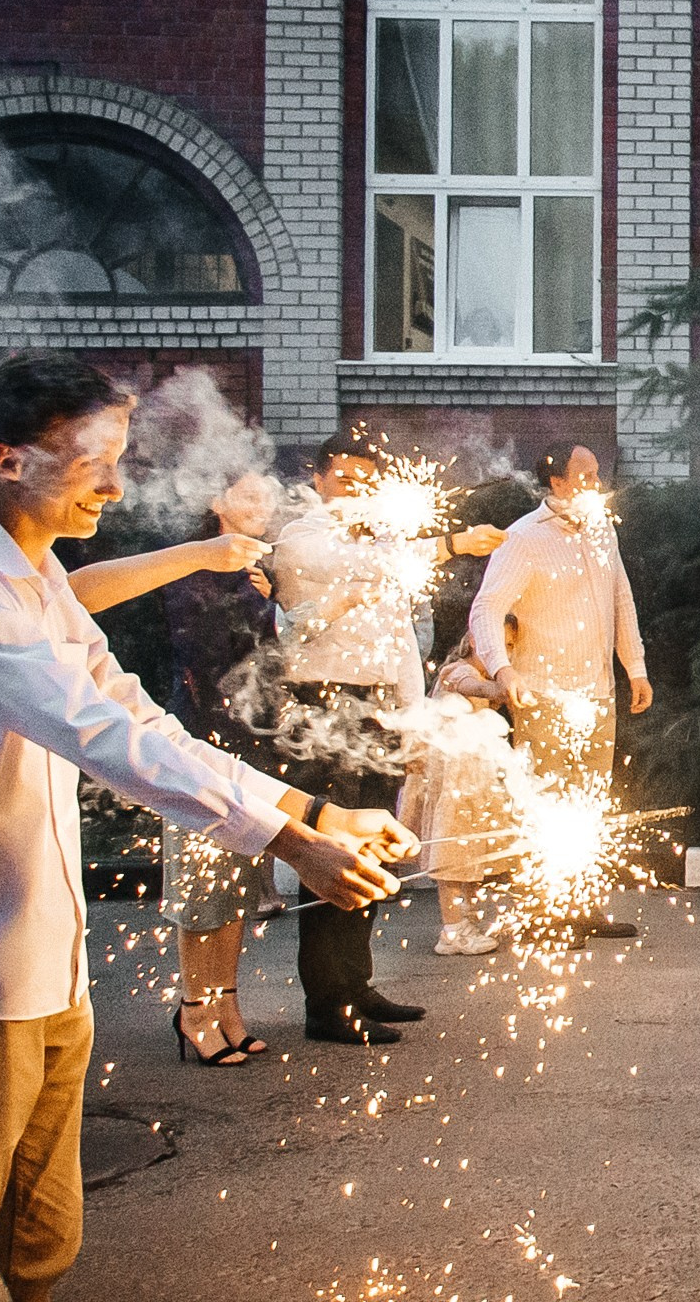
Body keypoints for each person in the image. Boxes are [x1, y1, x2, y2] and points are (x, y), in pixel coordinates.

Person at [0, 351, 412, 1302]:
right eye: (95, 465)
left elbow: (141, 719)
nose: (116, 487)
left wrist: (318, 809)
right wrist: (295, 845)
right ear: (7, 459)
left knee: (39, 1246)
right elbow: (97, 738)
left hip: (53, 969)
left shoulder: (39, 580)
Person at [271, 433, 503, 1042]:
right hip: (326, 704)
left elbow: (400, 640)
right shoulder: (302, 538)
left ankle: (356, 984)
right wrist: (448, 544)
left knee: (371, 849)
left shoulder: (380, 545)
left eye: (366, 480)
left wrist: (412, 717)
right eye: (343, 478)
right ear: (317, 481)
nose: (355, 490)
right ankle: (328, 1005)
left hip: (375, 707)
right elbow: (355, 572)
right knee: (332, 853)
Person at [68, 473, 285, 1064]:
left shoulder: (256, 574)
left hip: (250, 738)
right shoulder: (190, 571)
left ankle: (228, 1005)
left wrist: (274, 599)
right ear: (216, 501)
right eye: (246, 494)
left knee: (238, 884)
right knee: (203, 885)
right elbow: (202, 649)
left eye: (268, 496)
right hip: (193, 735)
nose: (262, 506)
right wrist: (252, 598)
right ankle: (194, 1008)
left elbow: (269, 657)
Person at [467, 442, 649, 940]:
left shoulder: (601, 528)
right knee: (547, 802)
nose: (596, 483)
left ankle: (583, 905)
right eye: (585, 475)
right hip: (544, 693)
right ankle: (547, 913)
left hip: (597, 691)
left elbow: (622, 597)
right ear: (558, 483)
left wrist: (635, 667)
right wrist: (503, 670)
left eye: (597, 474)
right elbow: (487, 607)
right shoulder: (524, 538)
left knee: (589, 801)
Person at [415, 629, 517, 956]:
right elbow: (467, 684)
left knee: (472, 855)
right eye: (503, 643)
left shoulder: (482, 674)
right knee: (453, 858)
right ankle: (453, 930)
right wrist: (499, 688)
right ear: (477, 639)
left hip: (473, 782)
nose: (507, 652)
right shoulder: (458, 670)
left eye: (512, 646)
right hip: (454, 785)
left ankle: (465, 917)